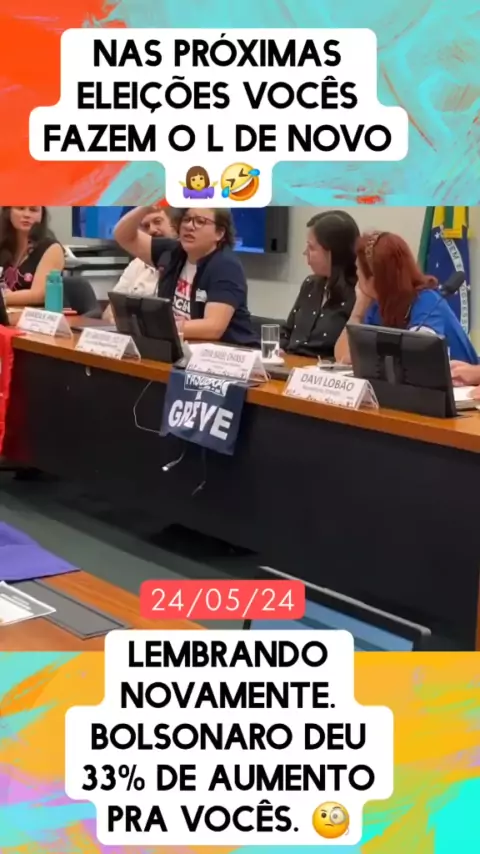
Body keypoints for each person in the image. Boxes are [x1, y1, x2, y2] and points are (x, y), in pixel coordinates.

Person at [114, 206, 257, 345]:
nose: (189, 226)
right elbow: (123, 236)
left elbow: (213, 327)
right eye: (186, 219)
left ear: (219, 233)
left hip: (229, 352)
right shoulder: (172, 252)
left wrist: (156, 326)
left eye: (200, 221)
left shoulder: (225, 265)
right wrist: (145, 207)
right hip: (181, 347)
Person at [335, 230, 479, 365]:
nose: (357, 279)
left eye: (358, 271)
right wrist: (358, 310)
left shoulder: (427, 302)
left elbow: (418, 361)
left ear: (375, 279)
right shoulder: (376, 305)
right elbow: (343, 358)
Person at [281, 211, 359, 358]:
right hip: (290, 366)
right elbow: (286, 332)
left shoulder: (357, 294)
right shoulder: (310, 284)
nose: (305, 253)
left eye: (311, 248)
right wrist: (278, 350)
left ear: (332, 252)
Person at [103, 207, 180, 322]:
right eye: (146, 226)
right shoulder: (137, 264)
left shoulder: (185, 261)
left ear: (174, 226)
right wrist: (116, 320)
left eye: (157, 222)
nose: (152, 230)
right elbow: (110, 309)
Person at [0, 207, 65, 306]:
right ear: (8, 212)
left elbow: (39, 295)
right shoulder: (3, 245)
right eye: (20, 208)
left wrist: (4, 298)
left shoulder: (51, 248)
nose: (26, 215)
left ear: (42, 214)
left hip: (34, 313)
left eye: (33, 210)